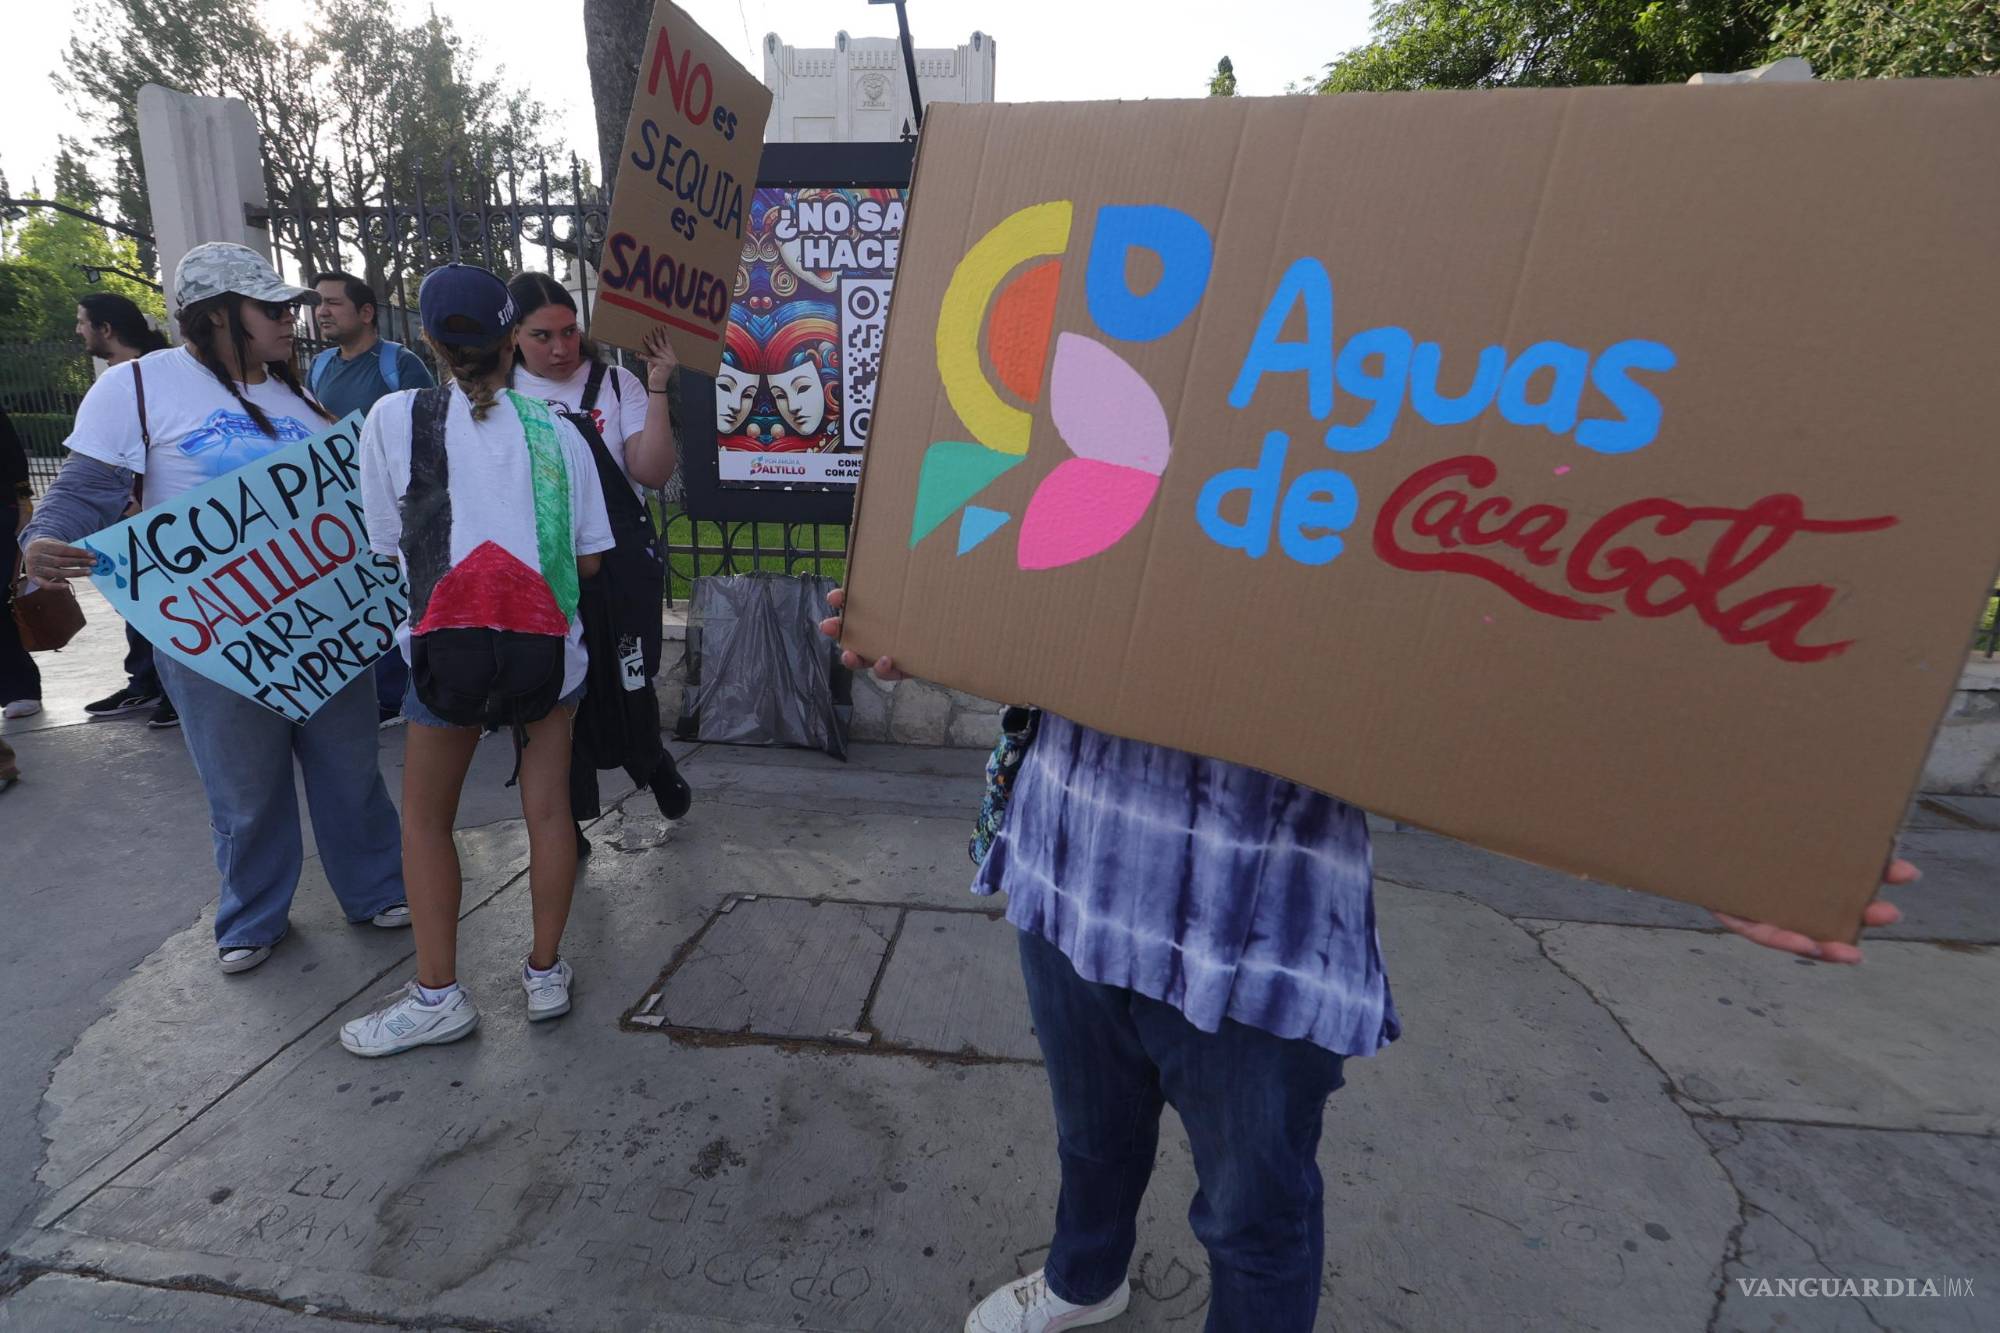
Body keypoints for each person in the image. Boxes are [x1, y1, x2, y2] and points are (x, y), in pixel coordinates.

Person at [816, 593, 1922, 1333]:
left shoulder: (1361, 407)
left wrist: (1707, 842)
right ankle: (1081, 1278)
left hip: (1258, 936)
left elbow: (1512, 645)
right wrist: (924, 614)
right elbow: (1018, 573)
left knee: (1254, 1212)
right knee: (1090, 1140)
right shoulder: (1110, 358)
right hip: (1069, 875)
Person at [19, 242, 410, 973]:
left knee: (351, 769)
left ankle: (376, 888)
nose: (292, 320)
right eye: (273, 309)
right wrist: (43, 538)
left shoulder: (302, 393)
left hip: (327, 625)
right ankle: (253, 919)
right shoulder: (139, 386)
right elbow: (85, 488)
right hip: (211, 637)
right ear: (217, 316)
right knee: (243, 786)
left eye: (291, 308)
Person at [340, 263, 614, 1058]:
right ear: (512, 341)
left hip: (441, 653)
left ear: (426, 338)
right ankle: (544, 972)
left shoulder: (393, 418)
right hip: (547, 656)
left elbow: (387, 542)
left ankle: (438, 995)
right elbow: (591, 561)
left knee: (427, 820)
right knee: (549, 811)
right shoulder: (559, 430)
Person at [506, 272, 691, 855]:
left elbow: (653, 472)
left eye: (569, 332)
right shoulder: (495, 394)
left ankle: (649, 759)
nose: (561, 349)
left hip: (618, 561)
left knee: (631, 674)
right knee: (548, 689)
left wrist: (657, 386)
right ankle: (568, 811)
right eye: (542, 336)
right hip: (537, 568)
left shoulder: (616, 385)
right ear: (512, 335)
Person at [309, 269, 438, 726]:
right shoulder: (320, 366)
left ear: (366, 312)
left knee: (396, 596)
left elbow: (427, 430)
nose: (321, 311)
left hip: (394, 508)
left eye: (333, 302)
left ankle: (400, 693)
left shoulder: (400, 365)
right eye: (318, 303)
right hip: (337, 510)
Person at [73, 294, 180, 729]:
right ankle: (146, 683)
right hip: (129, 518)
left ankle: (174, 691)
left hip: (157, 518)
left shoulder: (159, 376)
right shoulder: (119, 378)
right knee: (136, 604)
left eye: (82, 322)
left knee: (167, 607)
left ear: (107, 329)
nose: (78, 331)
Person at [1, 404, 38, 723]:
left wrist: (25, 502)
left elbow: (12, 453)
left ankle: (20, 688)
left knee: (1, 599)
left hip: (2, 507)